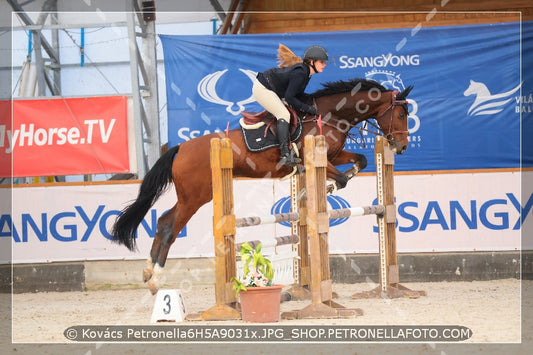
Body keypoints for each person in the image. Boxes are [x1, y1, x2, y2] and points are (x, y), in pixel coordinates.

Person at [253, 45, 329, 167]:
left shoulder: (306, 73)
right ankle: (284, 155)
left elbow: (296, 94)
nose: (324, 65)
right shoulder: (300, 73)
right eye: (322, 62)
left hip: (273, 90)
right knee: (283, 114)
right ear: (311, 62)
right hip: (263, 89)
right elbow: (290, 98)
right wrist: (307, 108)